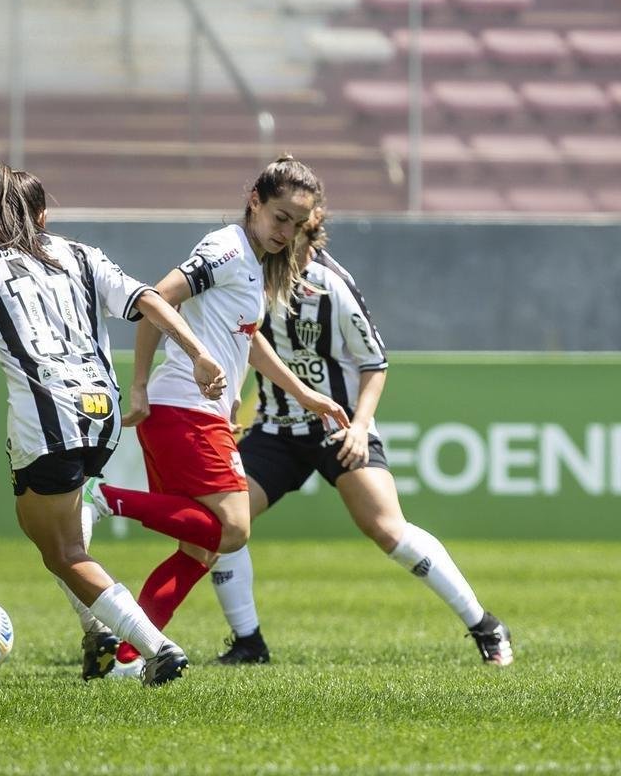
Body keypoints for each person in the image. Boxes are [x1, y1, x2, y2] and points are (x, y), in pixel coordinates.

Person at [0, 163, 227, 687]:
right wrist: (200, 353)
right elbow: (148, 301)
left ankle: (152, 648)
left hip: (47, 423)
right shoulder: (81, 255)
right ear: (43, 214)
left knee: (63, 552)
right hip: (102, 414)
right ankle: (99, 632)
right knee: (40, 527)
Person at [207, 206, 514, 667]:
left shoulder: (333, 284)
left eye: (296, 236)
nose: (285, 244)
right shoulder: (251, 274)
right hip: (276, 426)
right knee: (222, 525)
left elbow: (375, 363)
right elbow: (247, 344)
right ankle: (249, 643)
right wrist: (235, 403)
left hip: (339, 425)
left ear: (310, 238)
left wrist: (361, 427)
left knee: (387, 528)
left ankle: (485, 625)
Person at [82, 156, 350, 670]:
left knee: (198, 552)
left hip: (194, 412)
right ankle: (104, 497)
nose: (286, 232)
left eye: (297, 224)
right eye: (279, 218)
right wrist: (138, 383)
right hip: (184, 408)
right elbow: (155, 299)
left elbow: (247, 344)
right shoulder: (226, 249)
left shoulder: (252, 261)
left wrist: (306, 395)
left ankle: (127, 657)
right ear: (255, 201)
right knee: (233, 529)